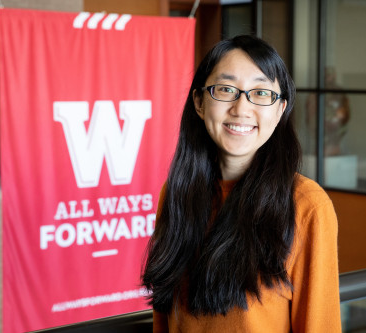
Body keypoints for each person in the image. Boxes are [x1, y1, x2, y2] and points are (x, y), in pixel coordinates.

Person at [142, 35, 341, 332]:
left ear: (280, 109)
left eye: (261, 93)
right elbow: (164, 317)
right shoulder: (177, 191)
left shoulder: (306, 205)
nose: (241, 108)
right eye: (225, 89)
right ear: (199, 102)